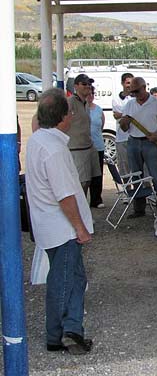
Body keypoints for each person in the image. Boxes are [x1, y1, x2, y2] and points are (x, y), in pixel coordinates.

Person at [25, 88, 94, 355]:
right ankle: (58, 334)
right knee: (64, 281)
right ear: (63, 118)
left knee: (74, 277)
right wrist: (80, 227)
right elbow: (64, 195)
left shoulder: (38, 139)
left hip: (49, 224)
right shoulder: (54, 149)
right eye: (69, 113)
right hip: (62, 228)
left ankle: (71, 329)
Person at [120, 77, 157, 218]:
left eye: (137, 91)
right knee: (136, 176)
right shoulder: (129, 104)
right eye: (132, 92)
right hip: (133, 141)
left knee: (156, 175)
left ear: (144, 87)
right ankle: (139, 209)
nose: (134, 94)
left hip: (151, 143)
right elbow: (124, 128)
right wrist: (124, 122)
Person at [67, 74, 101, 192]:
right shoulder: (70, 102)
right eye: (84, 84)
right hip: (76, 150)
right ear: (76, 86)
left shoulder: (86, 103)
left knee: (89, 181)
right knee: (80, 184)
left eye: (89, 84)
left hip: (88, 148)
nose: (88, 86)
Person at [87, 87, 105, 208]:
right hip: (85, 146)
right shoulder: (81, 109)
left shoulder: (98, 109)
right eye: (89, 94)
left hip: (98, 145)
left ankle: (96, 199)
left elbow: (101, 125)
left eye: (92, 93)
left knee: (98, 174)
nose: (90, 96)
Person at [112, 72, 134, 175]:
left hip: (135, 138)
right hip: (122, 138)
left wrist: (123, 115)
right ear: (122, 83)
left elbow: (134, 115)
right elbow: (118, 117)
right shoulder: (116, 99)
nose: (130, 85)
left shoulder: (136, 98)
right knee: (124, 168)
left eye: (132, 83)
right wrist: (128, 115)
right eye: (127, 83)